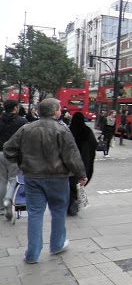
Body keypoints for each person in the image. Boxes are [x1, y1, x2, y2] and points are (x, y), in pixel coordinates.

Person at [3, 98, 87, 264]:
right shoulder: (62, 130)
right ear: (55, 111)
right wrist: (81, 174)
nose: (61, 111)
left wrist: (21, 163)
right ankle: (56, 245)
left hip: (32, 177)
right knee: (58, 211)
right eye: (60, 108)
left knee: (35, 213)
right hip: (57, 177)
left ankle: (32, 254)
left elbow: (8, 148)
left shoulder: (26, 128)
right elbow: (72, 155)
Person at [0, 100, 28, 219]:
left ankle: (1, 207)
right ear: (16, 108)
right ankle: (8, 200)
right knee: (13, 179)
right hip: (15, 154)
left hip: (0, 152)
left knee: (1, 179)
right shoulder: (22, 121)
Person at [68, 112, 97, 216]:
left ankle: (70, 202)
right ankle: (75, 203)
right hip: (84, 162)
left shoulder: (68, 130)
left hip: (70, 162)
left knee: (70, 183)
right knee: (79, 183)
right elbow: (94, 145)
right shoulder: (87, 131)